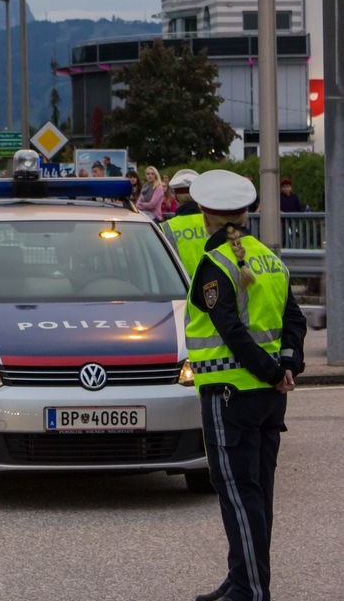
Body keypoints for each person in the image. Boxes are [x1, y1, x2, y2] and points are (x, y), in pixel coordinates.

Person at [185, 169, 306, 601]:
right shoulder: (270, 259)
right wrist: (288, 364)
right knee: (256, 494)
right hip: (269, 398)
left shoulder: (214, 263)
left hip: (228, 394)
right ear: (248, 213)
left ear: (205, 214)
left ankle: (251, 589)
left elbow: (231, 331)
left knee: (238, 494)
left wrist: (271, 372)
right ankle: (243, 578)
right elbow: (296, 319)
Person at [160, 169, 208, 279]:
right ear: (198, 196)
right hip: (212, 289)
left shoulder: (164, 228)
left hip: (180, 291)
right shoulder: (213, 223)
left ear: (176, 197)